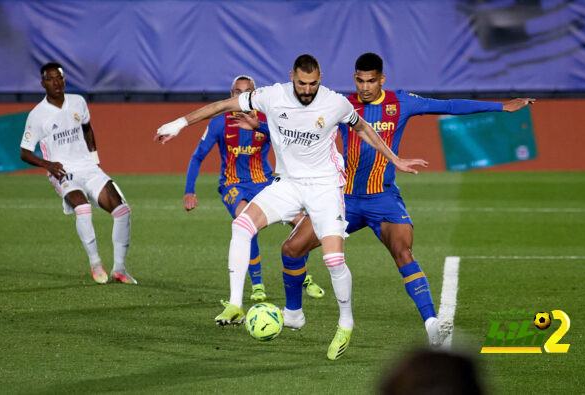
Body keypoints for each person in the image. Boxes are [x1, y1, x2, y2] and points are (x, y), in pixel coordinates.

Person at [155, 54, 427, 360]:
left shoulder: (335, 103)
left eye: (312, 84)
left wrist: (395, 159)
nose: (307, 89)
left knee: (334, 258)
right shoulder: (271, 95)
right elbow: (221, 106)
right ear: (291, 77)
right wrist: (179, 123)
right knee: (241, 225)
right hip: (288, 184)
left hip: (325, 187)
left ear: (320, 79)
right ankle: (235, 304)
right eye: (301, 83)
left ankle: (345, 322)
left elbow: (363, 128)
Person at [279, 53, 535, 346]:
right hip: (341, 199)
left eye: (371, 81)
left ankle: (431, 324)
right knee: (292, 248)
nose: (365, 87)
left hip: (383, 200)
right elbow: (295, 125)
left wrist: (502, 106)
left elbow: (449, 105)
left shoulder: (401, 103)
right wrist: (260, 125)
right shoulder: (340, 103)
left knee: (403, 252)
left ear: (382, 80)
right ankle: (294, 313)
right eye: (360, 81)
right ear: (354, 80)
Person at [183, 75, 325, 302]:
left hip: (266, 181)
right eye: (237, 92)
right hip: (234, 184)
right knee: (244, 220)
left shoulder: (267, 119)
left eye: (246, 91)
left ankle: (303, 276)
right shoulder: (219, 122)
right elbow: (198, 156)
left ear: (254, 95)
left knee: (303, 223)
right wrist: (189, 190)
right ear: (231, 96)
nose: (241, 96)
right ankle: (257, 284)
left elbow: (288, 142)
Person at [20, 62, 136, 285]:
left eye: (60, 78)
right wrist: (48, 165)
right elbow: (24, 152)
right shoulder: (37, 115)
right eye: (51, 79)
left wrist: (95, 160)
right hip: (63, 172)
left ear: (64, 79)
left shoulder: (78, 101)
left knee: (122, 211)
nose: (56, 82)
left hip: (88, 168)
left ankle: (119, 269)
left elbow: (87, 128)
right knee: (82, 208)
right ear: (43, 83)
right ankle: (95, 264)